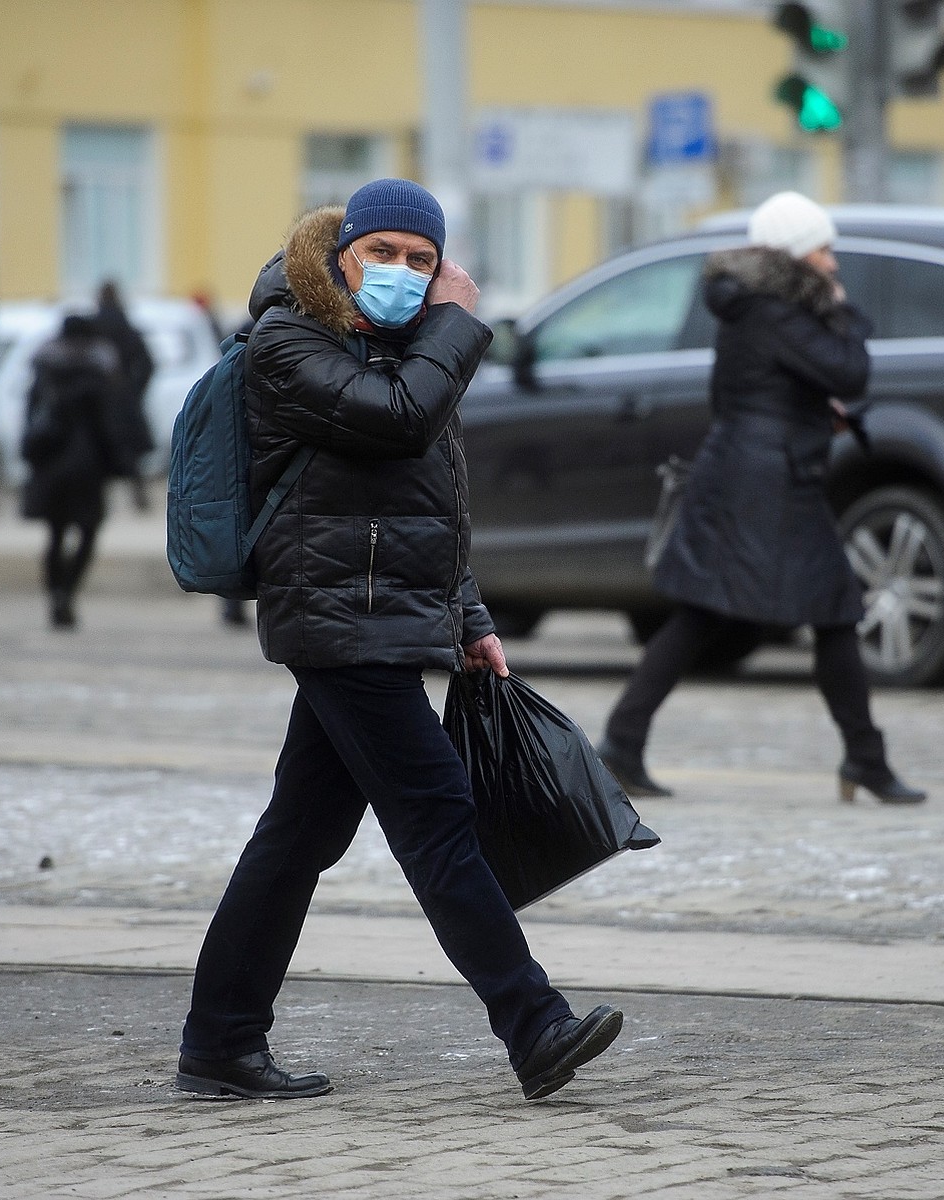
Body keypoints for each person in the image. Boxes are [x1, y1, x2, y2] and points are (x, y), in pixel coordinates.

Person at [176, 179, 624, 1102]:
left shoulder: (403, 350)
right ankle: (533, 1023)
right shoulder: (287, 339)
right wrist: (457, 324)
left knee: (299, 834)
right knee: (436, 815)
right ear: (339, 254)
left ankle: (219, 1041)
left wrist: (470, 620)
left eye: (423, 262)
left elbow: (427, 504)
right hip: (334, 618)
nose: (402, 274)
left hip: (378, 615)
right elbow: (396, 422)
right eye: (383, 253)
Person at [596, 191, 925, 806]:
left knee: (720, 610)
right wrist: (846, 315)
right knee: (827, 610)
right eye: (822, 250)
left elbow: (753, 390)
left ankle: (623, 740)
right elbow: (850, 372)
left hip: (753, 472)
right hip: (769, 481)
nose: (832, 263)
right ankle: (865, 760)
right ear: (796, 255)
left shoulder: (752, 306)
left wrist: (800, 415)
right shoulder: (777, 311)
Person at [20, 314, 122, 629]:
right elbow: (111, 424)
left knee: (55, 534)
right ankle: (67, 592)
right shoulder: (99, 370)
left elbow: (31, 416)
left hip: (51, 463)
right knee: (88, 533)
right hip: (87, 467)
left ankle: (56, 595)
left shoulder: (45, 368)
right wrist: (119, 464)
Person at [94, 280, 155, 509]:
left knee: (96, 453)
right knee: (129, 457)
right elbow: (148, 363)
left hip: (96, 403)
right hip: (123, 400)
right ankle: (140, 500)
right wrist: (133, 389)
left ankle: (100, 504)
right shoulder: (126, 326)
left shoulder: (95, 327)